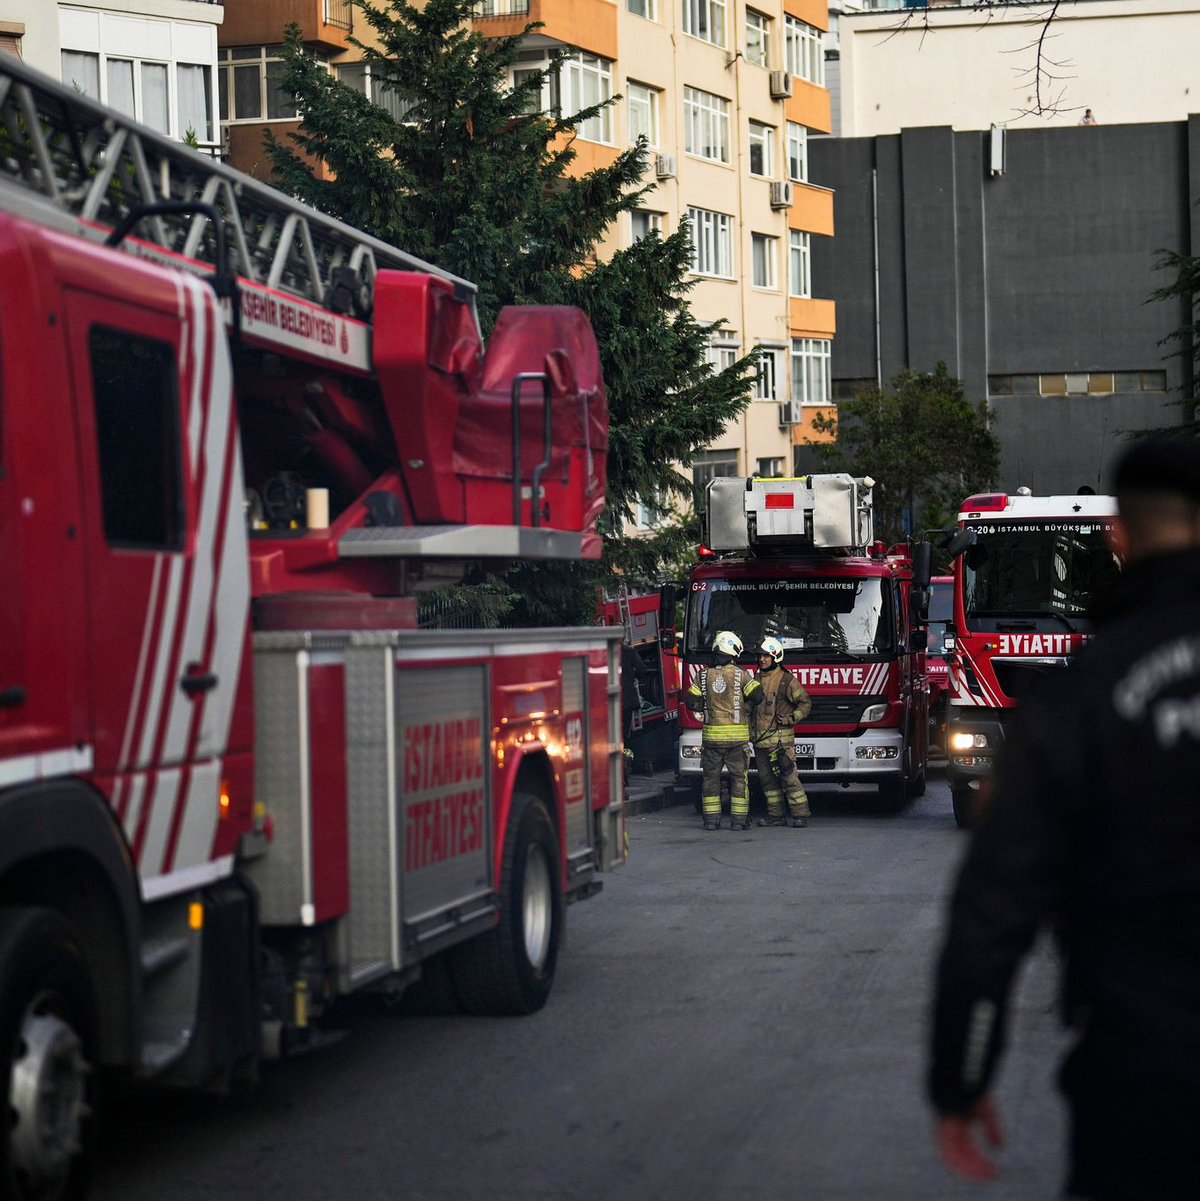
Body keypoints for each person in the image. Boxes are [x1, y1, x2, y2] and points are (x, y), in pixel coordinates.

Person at [928, 437, 1200, 1199]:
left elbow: (993, 910)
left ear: (1119, 539)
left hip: (1139, 1085)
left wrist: (963, 1074)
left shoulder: (1079, 696)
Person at [686, 630, 762, 831]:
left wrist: (705, 707)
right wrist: (743, 708)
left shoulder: (703, 675)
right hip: (737, 741)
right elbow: (758, 696)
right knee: (739, 779)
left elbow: (690, 700)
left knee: (711, 780)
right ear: (734, 652)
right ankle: (738, 821)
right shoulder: (741, 674)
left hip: (712, 740)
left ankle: (711, 821)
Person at [750, 636, 813, 828]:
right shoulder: (757, 678)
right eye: (760, 656)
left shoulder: (787, 680)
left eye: (766, 656)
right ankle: (775, 815)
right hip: (761, 743)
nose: (762, 660)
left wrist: (791, 719)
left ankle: (800, 814)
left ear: (776, 656)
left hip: (780, 744)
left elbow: (805, 703)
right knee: (768, 783)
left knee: (789, 779)